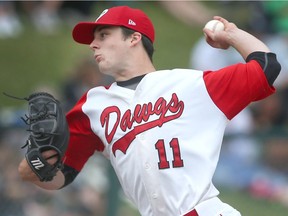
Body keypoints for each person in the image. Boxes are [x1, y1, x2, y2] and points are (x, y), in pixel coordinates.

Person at [18, 5, 281, 216]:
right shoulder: (91, 106)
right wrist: (36, 162)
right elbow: (60, 177)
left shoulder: (194, 85)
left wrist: (232, 34)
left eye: (103, 35)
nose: (93, 45)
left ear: (134, 38)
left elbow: (267, 67)